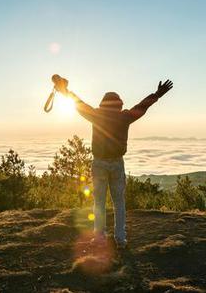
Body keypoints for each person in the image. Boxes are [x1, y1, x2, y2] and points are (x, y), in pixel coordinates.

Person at [58, 78, 173, 248]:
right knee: (119, 202)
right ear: (119, 104)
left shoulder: (95, 114)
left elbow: (78, 103)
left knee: (99, 203)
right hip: (117, 163)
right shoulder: (124, 117)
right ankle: (120, 240)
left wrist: (64, 91)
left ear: (103, 104)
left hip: (99, 163)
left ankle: (99, 238)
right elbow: (142, 107)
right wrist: (157, 94)